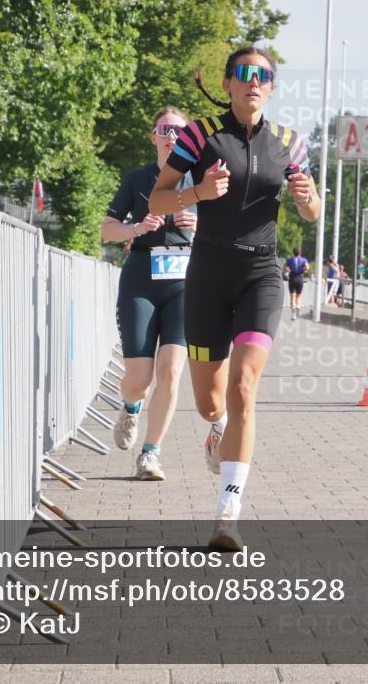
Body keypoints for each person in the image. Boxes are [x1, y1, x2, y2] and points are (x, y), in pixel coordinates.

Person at [148, 47, 321, 549]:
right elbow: (159, 198)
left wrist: (307, 197)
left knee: (245, 386)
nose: (253, 82)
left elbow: (312, 212)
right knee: (209, 403)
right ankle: (217, 428)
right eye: (244, 74)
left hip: (260, 274)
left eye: (263, 75)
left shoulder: (289, 143)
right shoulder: (199, 136)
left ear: (272, 86)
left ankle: (228, 512)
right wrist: (197, 193)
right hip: (208, 273)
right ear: (227, 84)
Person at [101, 107, 197, 480]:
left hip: (185, 283)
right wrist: (137, 227)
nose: (172, 135)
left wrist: (200, 226)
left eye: (179, 131)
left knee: (171, 372)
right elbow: (108, 230)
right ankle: (129, 407)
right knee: (139, 378)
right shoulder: (137, 178)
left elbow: (229, 236)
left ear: (188, 139)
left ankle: (150, 455)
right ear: (154, 136)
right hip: (141, 278)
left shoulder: (201, 182)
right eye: (165, 129)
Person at [283, 246, 309, 320]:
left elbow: (284, 268)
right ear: (300, 252)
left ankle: (293, 314)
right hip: (300, 279)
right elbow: (307, 267)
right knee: (298, 296)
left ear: (293, 252)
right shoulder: (304, 260)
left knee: (292, 297)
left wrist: (287, 271)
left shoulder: (289, 260)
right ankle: (298, 306)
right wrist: (304, 270)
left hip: (292, 279)